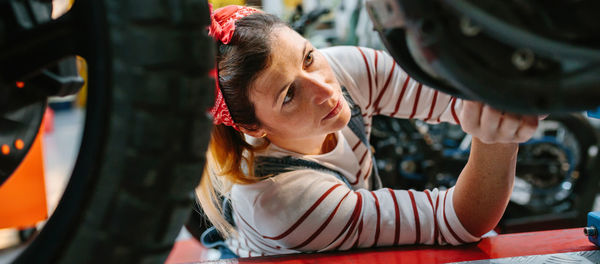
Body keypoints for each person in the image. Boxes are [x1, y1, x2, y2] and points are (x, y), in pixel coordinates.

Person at [196, 5, 541, 258]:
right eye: (289, 95)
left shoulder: (341, 68)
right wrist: (498, 138)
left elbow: (454, 98)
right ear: (252, 127)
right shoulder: (280, 201)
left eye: (308, 57)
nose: (325, 90)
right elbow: (456, 221)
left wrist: (507, 90)